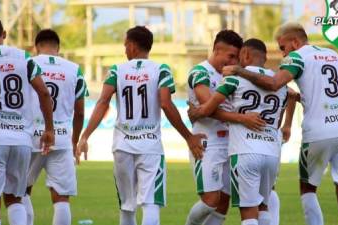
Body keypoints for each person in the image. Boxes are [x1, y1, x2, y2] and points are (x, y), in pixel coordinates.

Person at [223, 22, 338, 225]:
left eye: (283, 48)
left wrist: (239, 70)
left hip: (319, 131)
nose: (283, 54)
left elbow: (274, 83)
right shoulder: (333, 55)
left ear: (295, 42)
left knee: (307, 189)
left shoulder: (297, 57)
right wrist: (293, 110)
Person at [76, 26, 205, 225]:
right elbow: (165, 103)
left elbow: (102, 102)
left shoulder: (116, 71)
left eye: (126, 44)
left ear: (134, 46)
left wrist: (85, 136)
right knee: (150, 204)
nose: (124, 49)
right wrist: (188, 137)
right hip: (150, 147)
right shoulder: (161, 70)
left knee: (127, 206)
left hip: (122, 147)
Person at [185, 31, 266, 225]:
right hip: (208, 142)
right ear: (216, 50)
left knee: (223, 203)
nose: (233, 61)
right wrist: (242, 118)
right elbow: (209, 108)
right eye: (230, 56)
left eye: (236, 57)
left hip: (232, 143)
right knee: (211, 200)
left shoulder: (233, 74)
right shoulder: (200, 72)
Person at [0, 15, 54, 225]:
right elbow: (44, 93)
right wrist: (49, 129)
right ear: (4, 35)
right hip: (21, 140)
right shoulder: (24, 58)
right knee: (16, 198)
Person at [21, 29, 88, 225]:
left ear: (36, 47)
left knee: (21, 192)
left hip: (31, 136)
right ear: (58, 48)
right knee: (61, 197)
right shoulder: (74, 69)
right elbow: (81, 111)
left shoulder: (28, 63)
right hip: (61, 138)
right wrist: (75, 140)